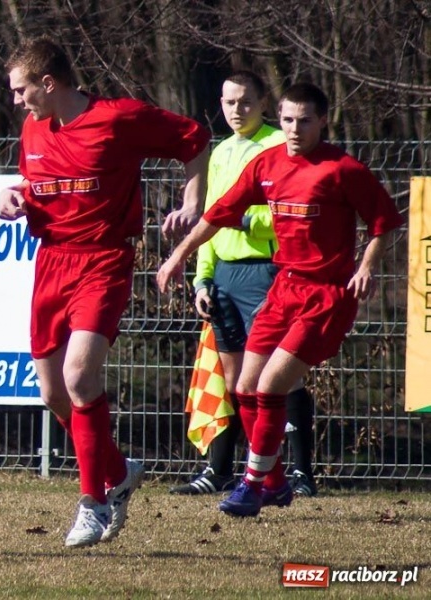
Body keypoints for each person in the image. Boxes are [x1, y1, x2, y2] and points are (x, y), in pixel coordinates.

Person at [0, 36, 211, 547]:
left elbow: (196, 139)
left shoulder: (117, 120)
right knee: (54, 393)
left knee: (78, 376)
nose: (16, 100)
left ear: (48, 84)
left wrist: (192, 198)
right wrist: (12, 195)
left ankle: (92, 502)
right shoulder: (33, 127)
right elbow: (37, 183)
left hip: (103, 259)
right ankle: (120, 470)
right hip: (50, 262)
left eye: (20, 89)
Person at [157, 82, 403, 517]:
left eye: (304, 121)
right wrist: (179, 255)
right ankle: (274, 482)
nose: (294, 129)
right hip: (283, 288)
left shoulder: (342, 170)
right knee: (244, 387)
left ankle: (251, 485)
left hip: (325, 295)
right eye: (288, 119)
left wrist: (366, 267)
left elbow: (385, 222)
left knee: (271, 387)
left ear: (323, 121)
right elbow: (217, 214)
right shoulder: (265, 163)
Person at [170, 71, 318, 498]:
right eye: (230, 102)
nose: (237, 110)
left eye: (246, 102)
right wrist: (202, 277)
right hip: (225, 276)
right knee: (234, 378)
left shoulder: (279, 143)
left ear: (263, 103)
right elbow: (210, 220)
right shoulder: (220, 152)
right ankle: (226, 470)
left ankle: (300, 473)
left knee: (279, 375)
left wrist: (248, 221)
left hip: (267, 270)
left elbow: (292, 212)